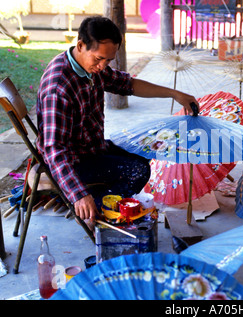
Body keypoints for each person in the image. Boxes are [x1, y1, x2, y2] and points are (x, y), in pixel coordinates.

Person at [36, 15, 199, 225]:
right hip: (73, 161)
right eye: (99, 59)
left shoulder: (90, 67)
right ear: (81, 45)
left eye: (108, 60)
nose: (103, 66)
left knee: (144, 151)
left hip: (92, 148)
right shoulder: (58, 89)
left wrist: (175, 94)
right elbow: (54, 150)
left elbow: (128, 84)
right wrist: (78, 194)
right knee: (137, 170)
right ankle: (96, 209)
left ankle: (101, 200)